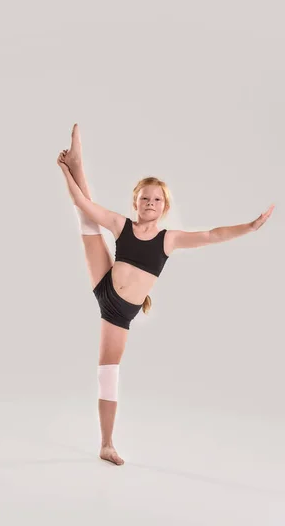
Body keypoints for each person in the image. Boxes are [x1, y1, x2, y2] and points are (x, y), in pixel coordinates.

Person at [57, 123, 275, 466]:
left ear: (164, 206)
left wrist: (248, 227)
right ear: (135, 201)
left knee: (108, 373)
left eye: (156, 199)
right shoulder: (121, 225)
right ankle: (78, 163)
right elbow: (81, 201)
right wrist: (65, 172)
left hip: (118, 313)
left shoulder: (168, 239)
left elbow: (213, 235)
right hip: (105, 282)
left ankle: (106, 444)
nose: (150, 202)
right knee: (86, 217)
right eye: (144, 198)